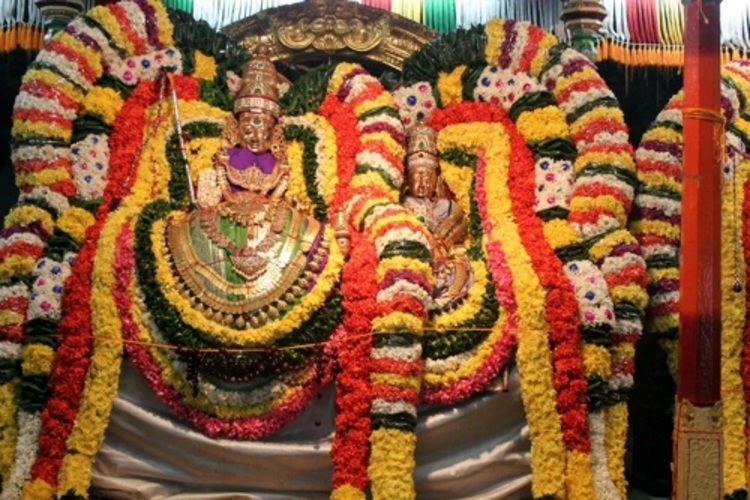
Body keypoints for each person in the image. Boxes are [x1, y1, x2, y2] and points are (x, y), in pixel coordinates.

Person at [402, 123, 473, 311]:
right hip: (413, 257)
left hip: (443, 260)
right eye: (417, 176)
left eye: (428, 177)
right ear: (407, 180)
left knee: (461, 265)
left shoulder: (447, 206)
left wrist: (443, 242)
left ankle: (445, 301)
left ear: (436, 180)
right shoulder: (401, 205)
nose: (422, 183)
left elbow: (461, 227)